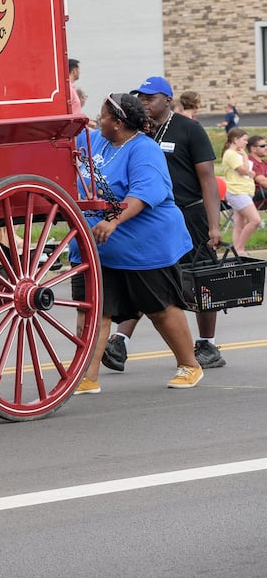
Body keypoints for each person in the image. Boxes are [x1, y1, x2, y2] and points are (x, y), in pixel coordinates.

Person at [77, 93, 204, 393]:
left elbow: (143, 194)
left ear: (118, 123)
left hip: (143, 244)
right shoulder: (97, 141)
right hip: (100, 245)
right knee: (96, 310)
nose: (99, 119)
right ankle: (87, 376)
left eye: (103, 115)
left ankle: (190, 365)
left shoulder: (144, 150)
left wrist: (114, 221)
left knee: (159, 307)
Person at [103, 76, 224, 372]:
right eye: (140, 97)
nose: (144, 101)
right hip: (146, 219)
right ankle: (121, 341)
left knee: (199, 279)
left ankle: (207, 342)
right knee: (146, 277)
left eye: (150, 97)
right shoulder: (135, 134)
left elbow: (207, 179)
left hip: (188, 214)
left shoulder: (189, 129)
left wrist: (214, 224)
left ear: (168, 100)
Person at [221, 128, 261, 254]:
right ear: (235, 140)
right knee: (255, 220)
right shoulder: (231, 154)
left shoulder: (236, 154)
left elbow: (245, 171)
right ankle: (240, 248)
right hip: (237, 191)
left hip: (244, 190)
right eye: (244, 140)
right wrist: (244, 156)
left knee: (239, 224)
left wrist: (250, 172)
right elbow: (242, 170)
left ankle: (237, 252)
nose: (246, 143)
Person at [248, 134, 267, 209]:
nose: (266, 148)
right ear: (253, 149)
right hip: (256, 196)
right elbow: (263, 182)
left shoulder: (264, 163)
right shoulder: (250, 163)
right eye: (263, 146)